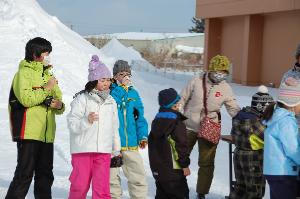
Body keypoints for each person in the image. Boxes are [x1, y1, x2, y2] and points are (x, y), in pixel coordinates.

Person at [6, 37, 65, 199]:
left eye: (49, 53)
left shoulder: (49, 74)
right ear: (35, 54)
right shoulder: (23, 73)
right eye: (46, 53)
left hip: (46, 134)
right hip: (29, 132)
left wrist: (58, 105)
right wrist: (47, 89)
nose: (49, 57)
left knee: (45, 175)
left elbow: (59, 101)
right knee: (24, 174)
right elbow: (26, 99)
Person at [179, 55, 240, 199]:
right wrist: (175, 114)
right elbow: (182, 98)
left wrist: (243, 117)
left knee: (206, 163)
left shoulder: (225, 88)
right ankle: (176, 187)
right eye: (218, 71)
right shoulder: (196, 81)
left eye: (224, 72)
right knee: (179, 158)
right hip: (188, 126)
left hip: (209, 128)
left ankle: (201, 193)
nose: (221, 75)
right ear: (210, 70)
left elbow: (233, 108)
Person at [67, 55, 121, 199]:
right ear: (94, 80)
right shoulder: (82, 99)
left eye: (108, 80)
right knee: (80, 186)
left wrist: (116, 149)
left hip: (103, 151)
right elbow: (72, 124)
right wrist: (86, 120)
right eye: (102, 80)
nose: (106, 83)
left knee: (102, 189)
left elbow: (114, 127)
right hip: (82, 150)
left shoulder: (111, 102)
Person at [109, 60, 148, 199]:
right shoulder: (110, 92)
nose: (126, 77)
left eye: (128, 74)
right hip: (113, 145)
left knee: (137, 176)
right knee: (111, 178)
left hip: (130, 143)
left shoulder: (134, 94)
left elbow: (140, 117)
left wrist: (143, 136)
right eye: (121, 74)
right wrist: (120, 88)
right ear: (115, 77)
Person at [229, 85, 274, 199]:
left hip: (238, 154)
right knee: (254, 189)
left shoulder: (240, 116)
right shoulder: (255, 121)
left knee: (240, 186)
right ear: (262, 107)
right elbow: (267, 136)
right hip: (253, 158)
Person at [149, 88, 190, 199]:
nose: (180, 104)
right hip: (174, 172)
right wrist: (185, 165)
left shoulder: (156, 121)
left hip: (159, 171)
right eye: (178, 102)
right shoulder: (176, 122)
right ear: (174, 105)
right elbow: (181, 146)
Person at [263, 77, 300, 199]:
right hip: (284, 172)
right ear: (293, 103)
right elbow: (292, 149)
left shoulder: (276, 116)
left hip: (274, 171)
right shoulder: (287, 122)